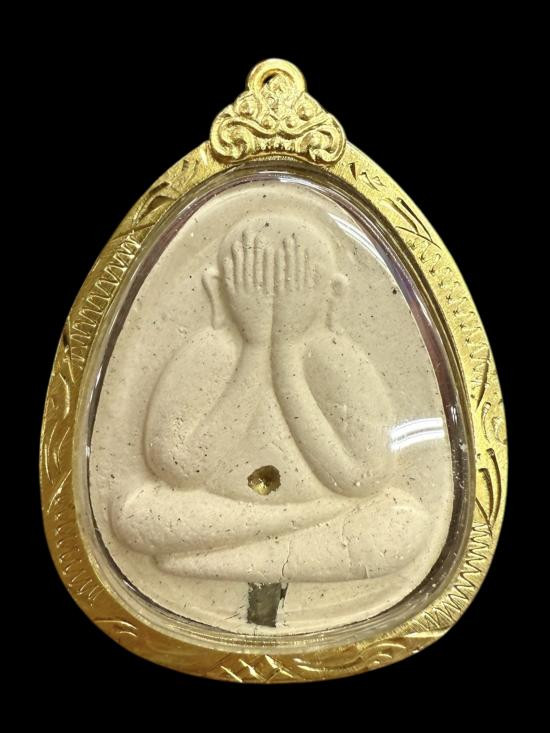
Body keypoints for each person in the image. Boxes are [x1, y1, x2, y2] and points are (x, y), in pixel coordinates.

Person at [110, 213, 428, 582]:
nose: (274, 300)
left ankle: (215, 559)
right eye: (254, 282)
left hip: (320, 512)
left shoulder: (335, 358)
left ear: (333, 294)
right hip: (221, 509)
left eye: (296, 283)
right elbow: (178, 468)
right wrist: (255, 350)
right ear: (217, 289)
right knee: (135, 515)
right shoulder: (211, 352)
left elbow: (365, 477)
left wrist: (286, 356)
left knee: (403, 523)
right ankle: (278, 546)